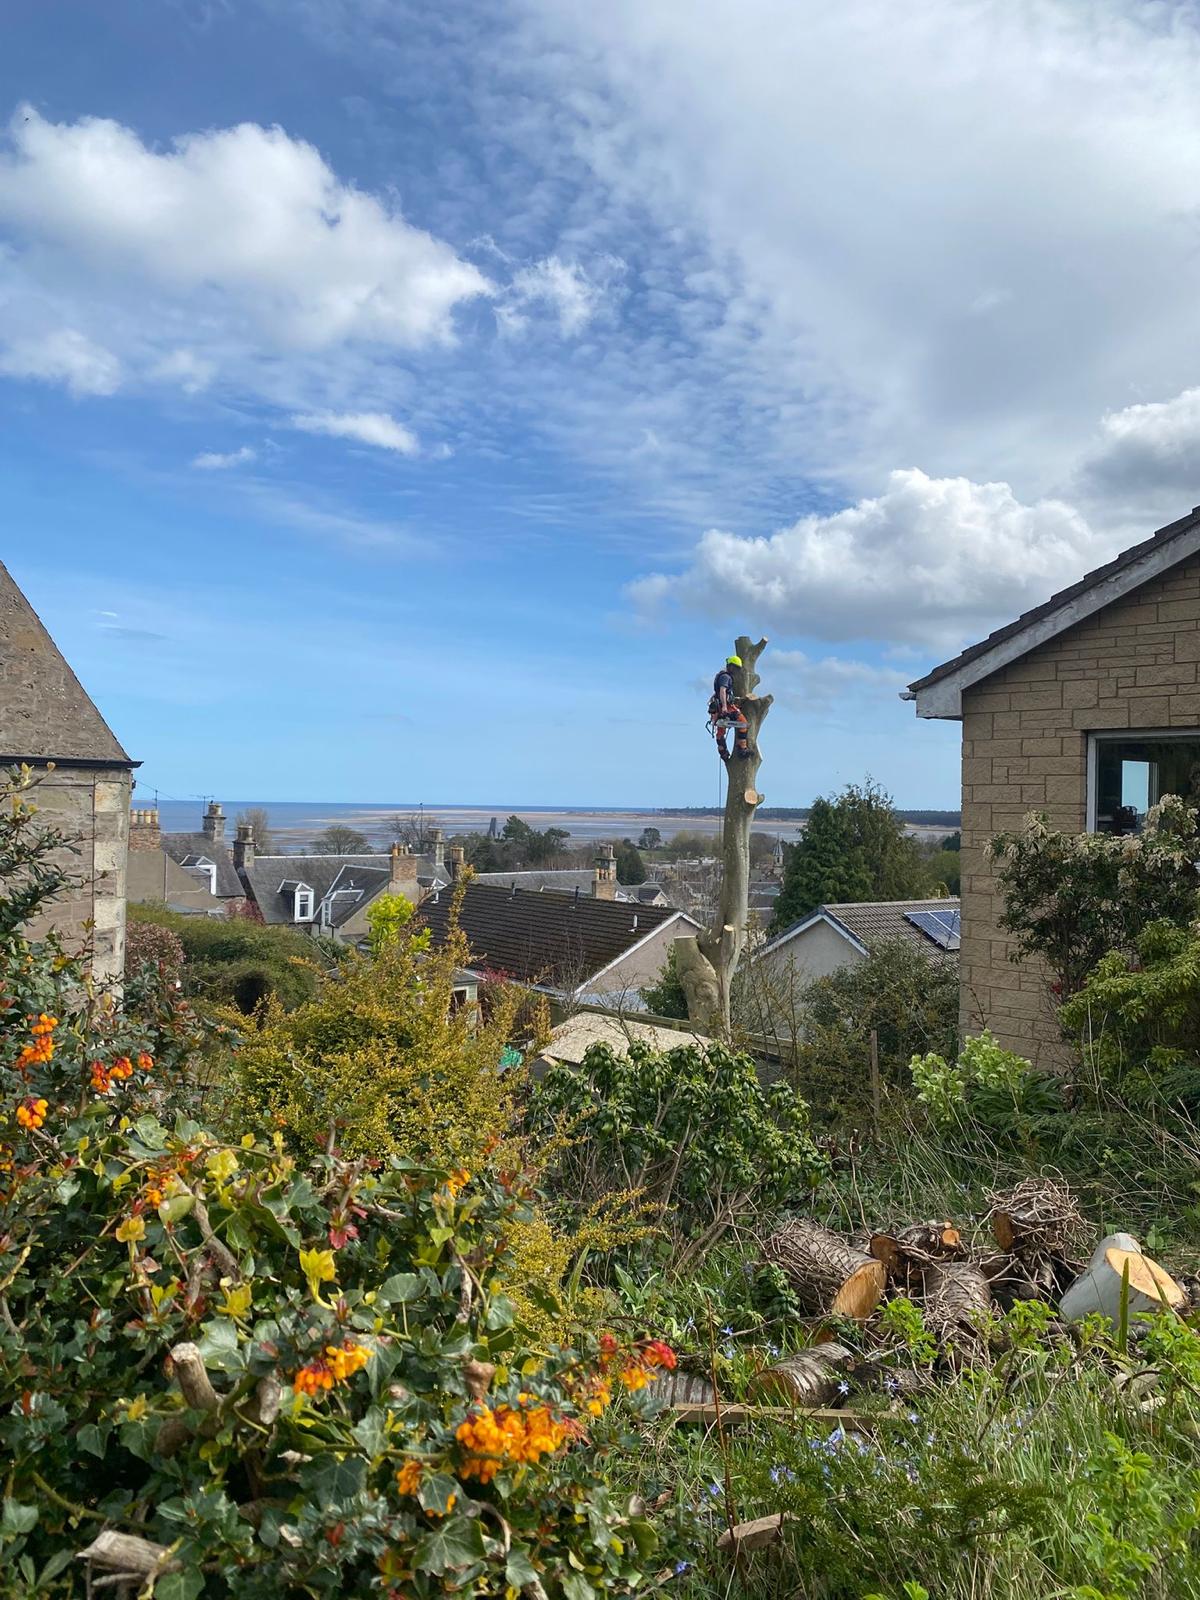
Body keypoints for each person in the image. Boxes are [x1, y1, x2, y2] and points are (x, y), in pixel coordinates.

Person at [709, 654, 750, 761]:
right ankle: (742, 749)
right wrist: (724, 707)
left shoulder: (721, 676)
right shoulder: (726, 677)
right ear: (731, 666)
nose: (736, 671)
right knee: (743, 723)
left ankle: (723, 753)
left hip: (718, 708)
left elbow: (718, 692)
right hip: (725, 707)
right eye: (736, 668)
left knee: (720, 731)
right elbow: (722, 690)